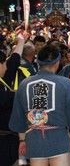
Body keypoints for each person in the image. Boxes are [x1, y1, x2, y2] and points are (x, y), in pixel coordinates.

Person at [9, 44, 70, 165]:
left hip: (34, 141)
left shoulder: (24, 84)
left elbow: (19, 118)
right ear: (57, 62)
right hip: (59, 140)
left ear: (38, 61)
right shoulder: (66, 84)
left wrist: (22, 140)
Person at [0, 31, 28, 166]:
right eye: (4, 63)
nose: (6, 66)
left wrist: (21, 41)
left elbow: (14, 60)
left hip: (12, 136)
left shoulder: (4, 79)